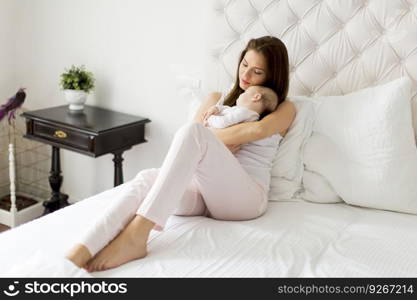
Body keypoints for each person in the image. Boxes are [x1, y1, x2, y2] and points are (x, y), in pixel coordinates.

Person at [65, 36, 296, 272]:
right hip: (206, 195)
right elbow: (188, 140)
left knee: (194, 132)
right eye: (244, 65)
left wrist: (209, 142)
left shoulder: (283, 107)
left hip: (246, 198)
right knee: (147, 178)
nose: (245, 75)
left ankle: (137, 235)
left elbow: (256, 130)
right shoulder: (217, 100)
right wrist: (214, 144)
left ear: (272, 76)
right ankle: (82, 250)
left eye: (257, 71)